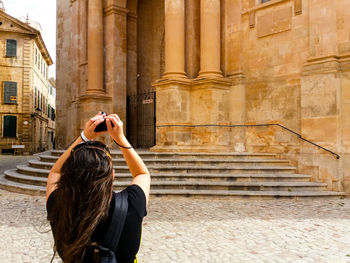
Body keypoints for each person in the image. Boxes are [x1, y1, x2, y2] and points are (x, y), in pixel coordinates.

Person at [46, 113, 150, 263]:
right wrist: (119, 138)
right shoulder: (131, 204)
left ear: (69, 174)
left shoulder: (59, 205)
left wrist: (85, 136)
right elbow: (142, 173)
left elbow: (55, 172)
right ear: (112, 175)